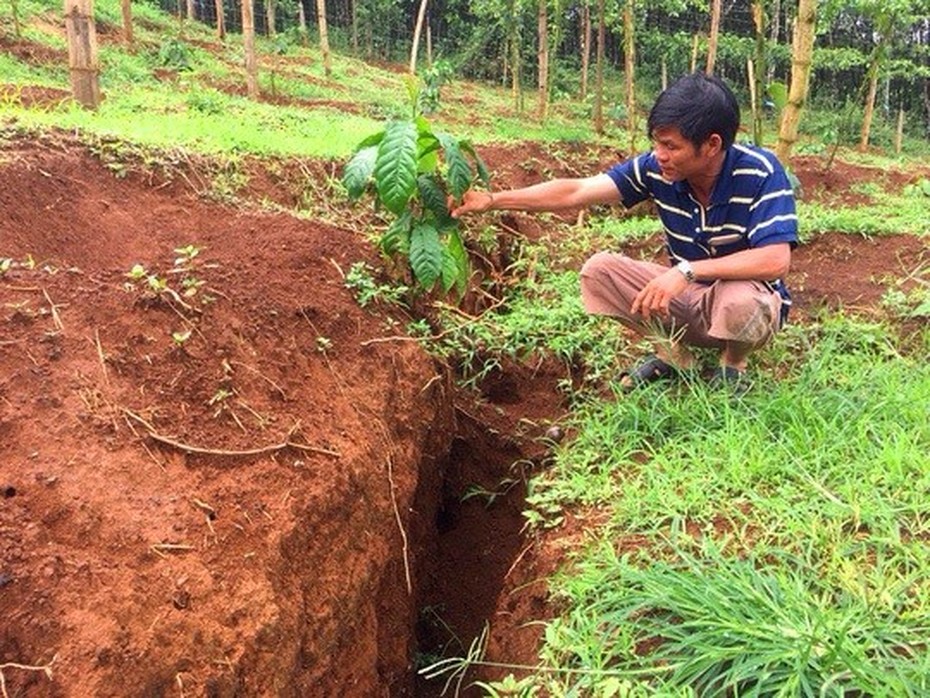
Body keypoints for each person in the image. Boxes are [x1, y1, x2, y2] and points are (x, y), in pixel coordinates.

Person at [449, 72, 798, 391]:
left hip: (743, 305)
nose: (659, 155)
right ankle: (674, 357)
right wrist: (492, 199)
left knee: (740, 301)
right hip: (689, 297)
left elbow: (775, 261)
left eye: (671, 146)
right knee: (599, 272)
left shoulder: (761, 172)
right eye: (657, 143)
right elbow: (576, 191)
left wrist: (687, 271)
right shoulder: (655, 169)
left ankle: (733, 364)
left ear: (711, 145)